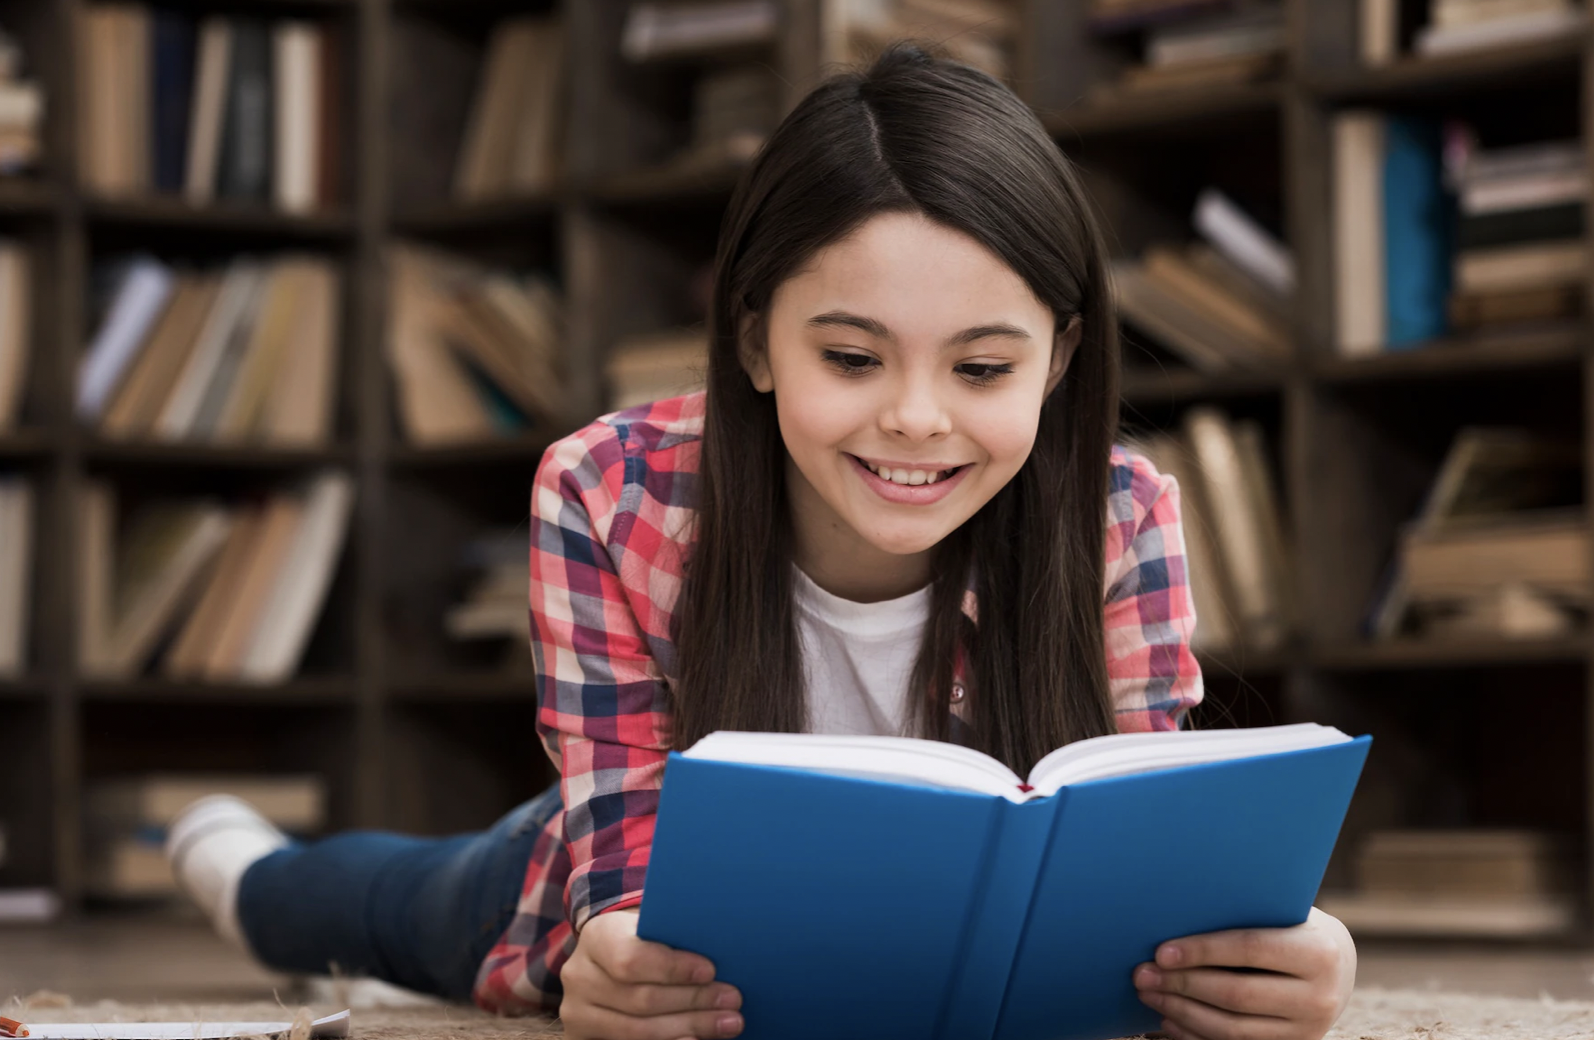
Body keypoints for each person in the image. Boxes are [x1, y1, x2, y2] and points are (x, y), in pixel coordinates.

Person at [166, 43, 1357, 1040]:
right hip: (577, 869)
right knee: (381, 904)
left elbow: (1143, 855)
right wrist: (620, 949)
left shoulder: (1122, 515)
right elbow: (622, 843)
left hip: (948, 943)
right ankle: (247, 866)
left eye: (983, 366)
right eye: (850, 357)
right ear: (751, 343)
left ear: (1060, 359)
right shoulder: (608, 489)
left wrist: (1281, 951)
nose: (917, 418)